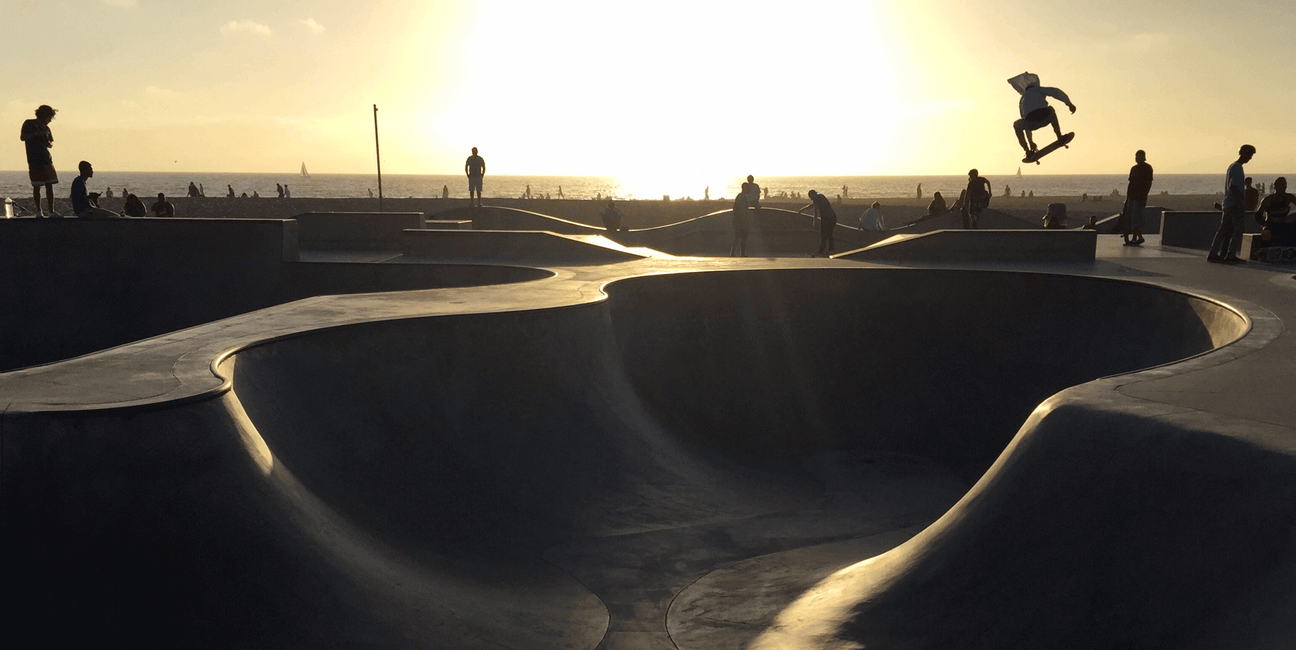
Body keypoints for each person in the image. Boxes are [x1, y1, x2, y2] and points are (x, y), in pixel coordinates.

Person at [1008, 72, 1076, 159]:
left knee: (1017, 125)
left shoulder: (1022, 100)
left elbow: (1024, 122)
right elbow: (1056, 92)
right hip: (1045, 118)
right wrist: (1069, 104)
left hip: (1031, 123)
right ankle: (1059, 136)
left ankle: (1027, 151)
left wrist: (1030, 141)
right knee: (1051, 109)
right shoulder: (1039, 90)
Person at [1208, 144, 1256, 263]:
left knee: (1224, 230)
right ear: (1244, 154)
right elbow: (1234, 187)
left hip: (1229, 204)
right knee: (1238, 230)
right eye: (1249, 155)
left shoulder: (1232, 167)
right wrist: (1240, 203)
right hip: (1234, 205)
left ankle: (1213, 253)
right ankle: (1230, 255)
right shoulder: (1237, 168)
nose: (1250, 158)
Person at [21, 104, 60, 217]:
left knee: (49, 185)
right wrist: (36, 134)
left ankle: (51, 211)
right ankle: (39, 211)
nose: (50, 121)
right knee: (36, 186)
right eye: (49, 118)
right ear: (44, 116)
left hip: (46, 159)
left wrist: (48, 142)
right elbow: (22, 137)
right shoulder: (29, 123)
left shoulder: (47, 128)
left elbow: (51, 143)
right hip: (34, 160)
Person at [1252, 177, 1296, 259]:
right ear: (1275, 186)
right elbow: (1257, 215)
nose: (1282, 187)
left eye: (1284, 185)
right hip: (1270, 225)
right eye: (1280, 185)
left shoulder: (1289, 197)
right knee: (1267, 232)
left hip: (1283, 225)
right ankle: (1263, 252)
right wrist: (1263, 223)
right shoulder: (1267, 199)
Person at [1123, 150, 1154, 246]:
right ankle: (1138, 237)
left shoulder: (1147, 168)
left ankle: (1135, 238)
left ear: (1143, 157)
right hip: (1132, 197)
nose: (1137, 159)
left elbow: (1149, 183)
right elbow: (1130, 183)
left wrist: (1144, 197)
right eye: (1136, 157)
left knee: (1136, 218)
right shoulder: (1133, 169)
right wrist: (1127, 198)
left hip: (1139, 197)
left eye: (1139, 157)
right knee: (1131, 218)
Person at [799, 189, 837, 255]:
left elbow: (812, 207)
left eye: (810, 197)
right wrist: (815, 220)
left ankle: (822, 250)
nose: (811, 199)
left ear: (813, 194)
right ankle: (831, 250)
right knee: (829, 234)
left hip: (827, 218)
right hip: (833, 217)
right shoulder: (821, 196)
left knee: (824, 234)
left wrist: (802, 209)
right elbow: (815, 210)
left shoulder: (816, 198)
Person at [730, 191, 750, 256]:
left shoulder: (742, 197)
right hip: (740, 220)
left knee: (741, 236)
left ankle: (741, 253)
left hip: (740, 219)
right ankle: (734, 253)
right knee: (739, 236)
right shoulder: (741, 197)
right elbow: (738, 208)